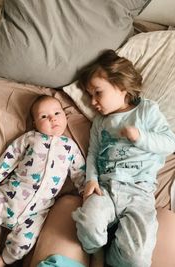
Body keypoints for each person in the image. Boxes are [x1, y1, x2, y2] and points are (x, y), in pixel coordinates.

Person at [72, 50, 175, 267]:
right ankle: (97, 251)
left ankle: (114, 256)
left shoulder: (146, 111)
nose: (92, 102)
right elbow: (92, 152)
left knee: (137, 258)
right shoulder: (100, 123)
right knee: (88, 222)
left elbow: (169, 142)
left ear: (122, 86)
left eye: (98, 93)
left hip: (139, 192)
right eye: (89, 95)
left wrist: (141, 137)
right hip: (105, 188)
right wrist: (91, 179)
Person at [0, 95, 86, 267]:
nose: (52, 118)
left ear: (65, 117)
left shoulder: (70, 147)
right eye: (44, 116)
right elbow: (11, 156)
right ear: (34, 123)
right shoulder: (30, 138)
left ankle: (1, 262)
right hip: (9, 197)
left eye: (57, 113)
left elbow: (79, 172)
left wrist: (85, 191)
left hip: (36, 211)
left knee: (24, 243)